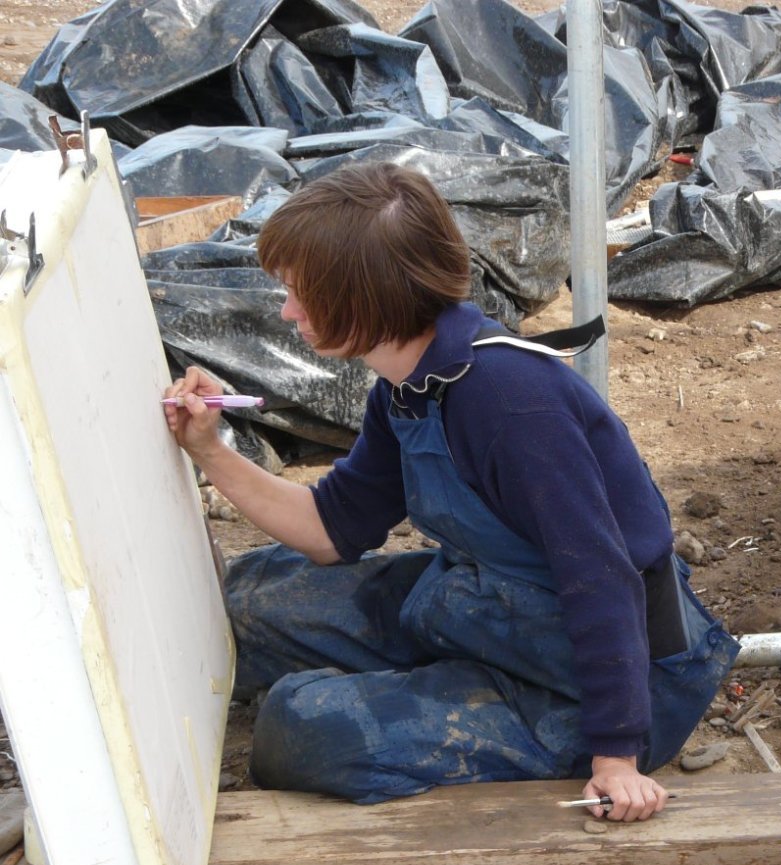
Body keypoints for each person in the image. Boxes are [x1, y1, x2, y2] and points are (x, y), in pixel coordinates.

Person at [164, 161, 737, 817]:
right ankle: (422, 685)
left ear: (364, 294)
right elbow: (330, 530)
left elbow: (601, 577)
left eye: (301, 292)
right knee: (250, 596)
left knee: (301, 727)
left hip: (603, 680)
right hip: (489, 607)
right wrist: (209, 449)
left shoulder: (510, 402)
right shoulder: (409, 385)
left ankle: (435, 704)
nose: (287, 310)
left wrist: (615, 756)